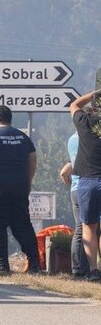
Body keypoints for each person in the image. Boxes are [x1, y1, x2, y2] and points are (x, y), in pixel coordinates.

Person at [0, 105, 40, 273]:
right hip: (19, 188)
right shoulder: (23, 137)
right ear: (10, 119)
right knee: (23, 225)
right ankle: (34, 264)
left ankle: (1, 263)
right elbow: (32, 160)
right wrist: (27, 182)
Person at [69, 88, 101, 282]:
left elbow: (74, 105)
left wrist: (95, 93)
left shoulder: (85, 122)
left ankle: (93, 270)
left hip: (87, 181)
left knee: (89, 227)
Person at [59, 131, 91, 277]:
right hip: (90, 186)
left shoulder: (72, 138)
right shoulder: (91, 136)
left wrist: (71, 184)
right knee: (92, 229)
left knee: (80, 229)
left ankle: (78, 268)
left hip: (76, 188)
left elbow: (66, 170)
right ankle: (88, 268)